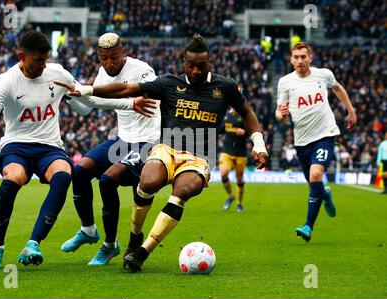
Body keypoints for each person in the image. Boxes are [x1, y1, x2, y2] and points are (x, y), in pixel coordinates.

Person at [55, 34, 269, 272]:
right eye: (191, 65)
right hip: (166, 149)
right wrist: (88, 89)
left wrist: (258, 143)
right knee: (147, 183)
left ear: (210, 63)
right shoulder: (168, 83)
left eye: (202, 65)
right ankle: (134, 236)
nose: (196, 71)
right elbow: (126, 88)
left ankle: (142, 251)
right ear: (183, 64)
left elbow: (247, 112)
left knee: (181, 192)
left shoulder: (224, 87)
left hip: (198, 157)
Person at [0, 30, 155, 270]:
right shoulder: (6, 81)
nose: (43, 66)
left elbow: (88, 101)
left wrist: (127, 102)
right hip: (17, 145)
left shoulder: (57, 72)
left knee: (65, 174)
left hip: (51, 147)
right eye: (38, 60)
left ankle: (33, 244)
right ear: (22, 56)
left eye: (45, 59)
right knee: (16, 177)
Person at [59, 32, 161, 266]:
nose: (109, 63)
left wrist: (91, 93)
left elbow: (142, 93)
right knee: (80, 170)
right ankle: (88, 229)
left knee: (107, 180)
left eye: (114, 57)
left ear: (123, 52)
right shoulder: (103, 74)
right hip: (122, 140)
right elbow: (88, 108)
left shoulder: (142, 68)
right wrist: (71, 97)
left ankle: (109, 245)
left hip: (147, 142)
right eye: (104, 58)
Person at [276, 41, 357, 242]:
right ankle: (326, 195)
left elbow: (338, 89)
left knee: (315, 175)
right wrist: (281, 114)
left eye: (304, 56)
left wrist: (351, 110)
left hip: (325, 134)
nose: (300, 60)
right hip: (302, 141)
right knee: (314, 185)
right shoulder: (285, 82)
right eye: (296, 57)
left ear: (310, 58)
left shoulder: (324, 74)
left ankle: (308, 227)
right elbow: (279, 112)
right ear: (291, 59)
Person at [219, 108, 248, 212]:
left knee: (239, 179)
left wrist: (245, 132)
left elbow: (252, 130)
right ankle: (230, 196)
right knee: (223, 174)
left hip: (241, 152)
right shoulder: (226, 115)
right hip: (227, 150)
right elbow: (221, 129)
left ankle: (239, 203)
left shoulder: (244, 114)